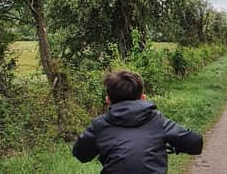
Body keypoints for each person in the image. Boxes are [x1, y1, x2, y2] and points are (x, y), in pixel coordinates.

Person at [72, 70, 203, 173]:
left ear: (108, 100)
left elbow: (81, 155)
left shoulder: (99, 125)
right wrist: (174, 145)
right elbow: (195, 143)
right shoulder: (157, 121)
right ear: (143, 98)